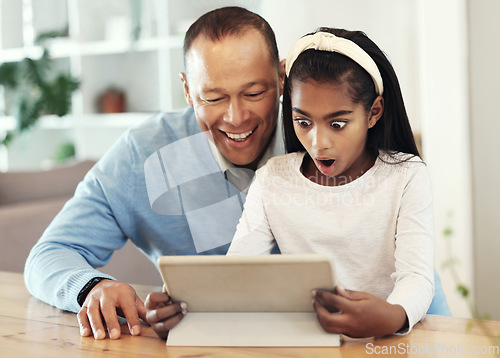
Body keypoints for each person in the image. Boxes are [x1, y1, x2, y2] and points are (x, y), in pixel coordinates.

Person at [24, 6, 285, 340]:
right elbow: (49, 254)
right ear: (188, 91)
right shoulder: (143, 153)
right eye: (213, 97)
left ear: (281, 78)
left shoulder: (323, 140)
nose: (236, 117)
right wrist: (92, 287)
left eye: (254, 93)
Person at [227, 27, 437, 338]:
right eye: (303, 122)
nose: (318, 142)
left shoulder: (406, 176)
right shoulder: (272, 179)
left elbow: (417, 277)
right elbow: (238, 273)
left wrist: (394, 316)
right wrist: (186, 305)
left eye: (337, 123)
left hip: (386, 343)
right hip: (307, 341)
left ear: (373, 112)